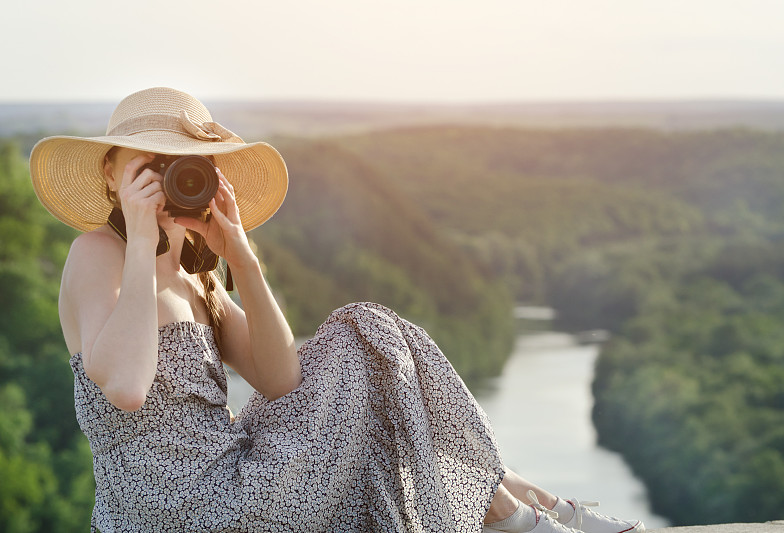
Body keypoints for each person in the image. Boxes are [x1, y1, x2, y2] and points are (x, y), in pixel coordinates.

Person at [30, 87, 646, 533]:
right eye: (147, 165)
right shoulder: (98, 254)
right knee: (373, 353)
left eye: (177, 167)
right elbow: (128, 389)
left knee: (371, 337)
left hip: (229, 482)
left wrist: (239, 260)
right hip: (178, 510)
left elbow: (279, 379)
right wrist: (141, 243)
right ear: (111, 176)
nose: (163, 183)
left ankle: (529, 515)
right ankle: (532, 518)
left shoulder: (195, 274)